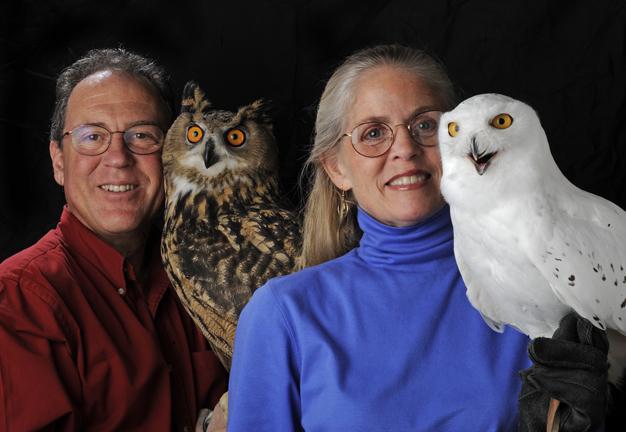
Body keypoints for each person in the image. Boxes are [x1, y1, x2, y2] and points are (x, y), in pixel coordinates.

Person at [227, 44, 610, 431]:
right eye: (373, 133)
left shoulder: (551, 280)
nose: (405, 149)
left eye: (427, 125)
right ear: (336, 168)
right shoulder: (283, 313)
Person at [0, 48, 227, 431]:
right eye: (92, 137)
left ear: (172, 156)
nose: (118, 158)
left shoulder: (206, 275)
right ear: (58, 161)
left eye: (142, 135)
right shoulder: (19, 303)